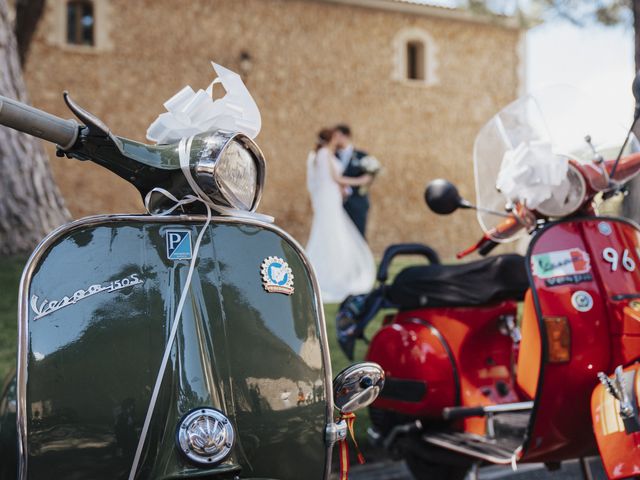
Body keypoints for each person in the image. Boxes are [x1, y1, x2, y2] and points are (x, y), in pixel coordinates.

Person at [306, 128, 376, 303]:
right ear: (331, 139)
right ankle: (334, 275)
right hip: (330, 201)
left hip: (331, 200)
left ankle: (338, 271)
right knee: (333, 236)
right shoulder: (325, 154)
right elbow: (335, 178)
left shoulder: (320, 154)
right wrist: (360, 181)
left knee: (331, 235)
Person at [334, 124, 370, 237]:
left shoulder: (361, 156)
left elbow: (367, 178)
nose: (336, 140)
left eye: (338, 136)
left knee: (358, 234)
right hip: (338, 203)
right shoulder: (331, 156)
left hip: (357, 202)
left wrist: (343, 181)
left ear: (347, 136)